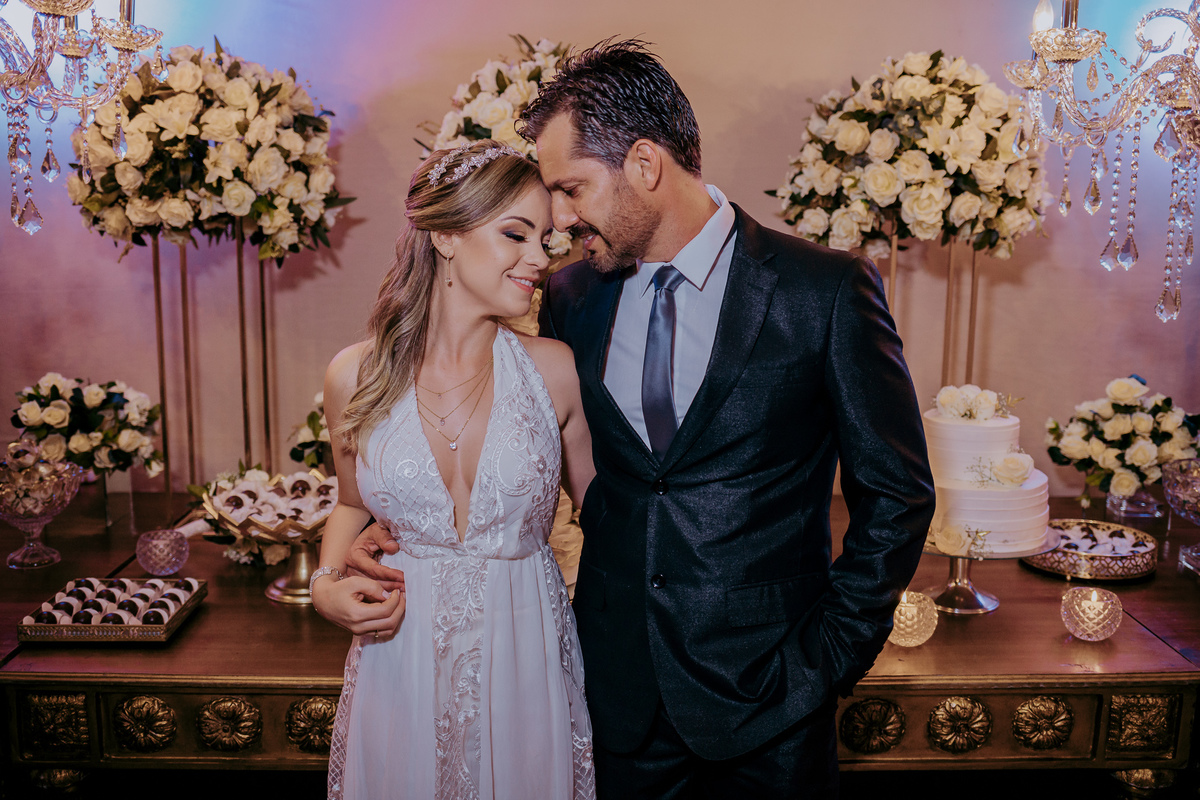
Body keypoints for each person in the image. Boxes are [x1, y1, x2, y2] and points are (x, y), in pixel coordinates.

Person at [351, 40, 935, 798]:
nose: (560, 221)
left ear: (645, 164)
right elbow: (535, 460)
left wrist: (827, 660)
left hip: (774, 699)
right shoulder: (572, 297)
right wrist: (388, 524)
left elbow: (897, 495)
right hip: (615, 697)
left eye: (571, 189)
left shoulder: (820, 290)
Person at [312, 139, 596, 800]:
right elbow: (351, 505)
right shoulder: (354, 375)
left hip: (527, 654)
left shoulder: (554, 369)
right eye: (516, 235)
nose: (540, 258)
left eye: (546, 240)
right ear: (445, 236)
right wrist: (326, 586)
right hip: (400, 655)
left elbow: (610, 513)